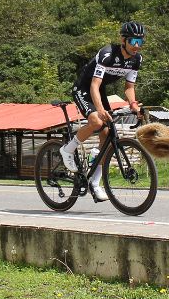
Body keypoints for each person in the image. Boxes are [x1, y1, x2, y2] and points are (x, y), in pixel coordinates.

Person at [60, 21, 146, 200]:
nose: (137, 46)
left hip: (99, 92)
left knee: (107, 134)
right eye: (133, 41)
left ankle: (94, 182)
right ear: (123, 40)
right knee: (97, 121)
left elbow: (129, 87)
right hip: (84, 88)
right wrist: (99, 110)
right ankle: (68, 149)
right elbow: (94, 84)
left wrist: (134, 105)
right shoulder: (107, 54)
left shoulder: (136, 60)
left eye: (140, 42)